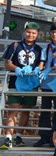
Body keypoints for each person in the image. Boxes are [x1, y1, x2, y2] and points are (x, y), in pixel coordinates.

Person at [1, 21, 44, 149]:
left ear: (37, 35)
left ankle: (19, 136)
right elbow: (7, 63)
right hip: (15, 82)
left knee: (26, 110)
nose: (30, 35)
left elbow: (41, 63)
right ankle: (8, 137)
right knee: (13, 109)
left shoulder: (39, 50)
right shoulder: (15, 46)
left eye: (33, 33)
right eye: (28, 32)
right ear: (24, 32)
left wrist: (37, 69)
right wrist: (16, 69)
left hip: (31, 84)